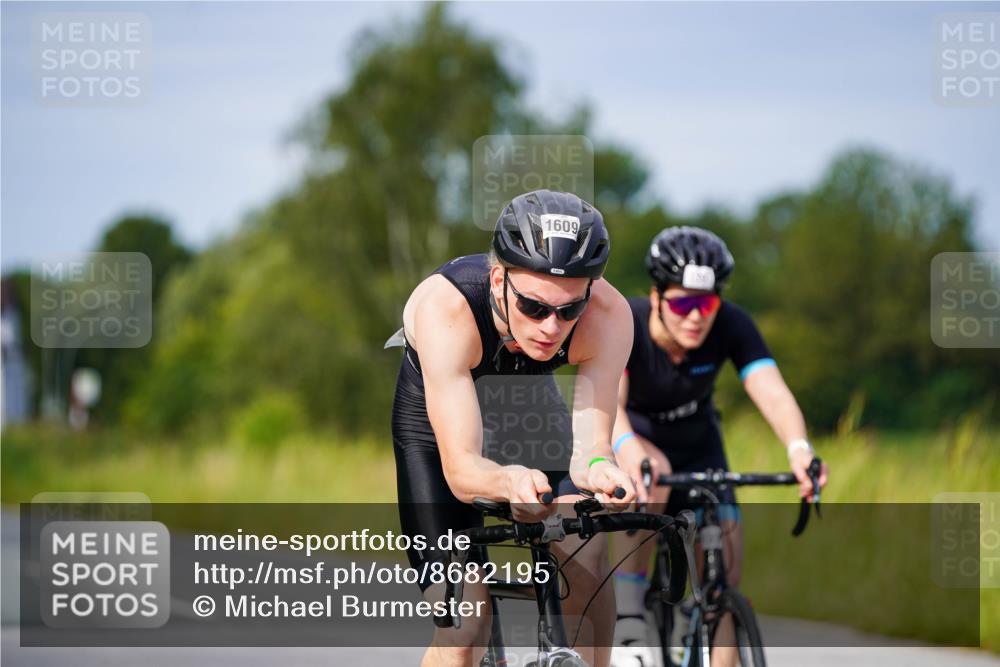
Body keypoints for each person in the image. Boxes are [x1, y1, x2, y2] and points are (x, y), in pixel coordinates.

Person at [391, 189, 637, 667]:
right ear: (499, 278)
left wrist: (604, 471)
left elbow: (590, 452)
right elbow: (462, 470)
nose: (551, 327)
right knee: (465, 626)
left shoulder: (609, 316)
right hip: (435, 422)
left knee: (587, 565)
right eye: (535, 307)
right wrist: (510, 481)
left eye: (570, 310)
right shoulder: (449, 308)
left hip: (526, 406)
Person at [608, 226, 829, 667]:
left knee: (724, 573)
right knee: (653, 473)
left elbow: (771, 390)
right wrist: (627, 446)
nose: (696, 317)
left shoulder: (732, 324)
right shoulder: (626, 323)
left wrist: (800, 448)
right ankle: (628, 615)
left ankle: (707, 625)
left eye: (706, 304)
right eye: (683, 303)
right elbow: (607, 403)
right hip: (636, 439)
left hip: (700, 444)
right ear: (656, 297)